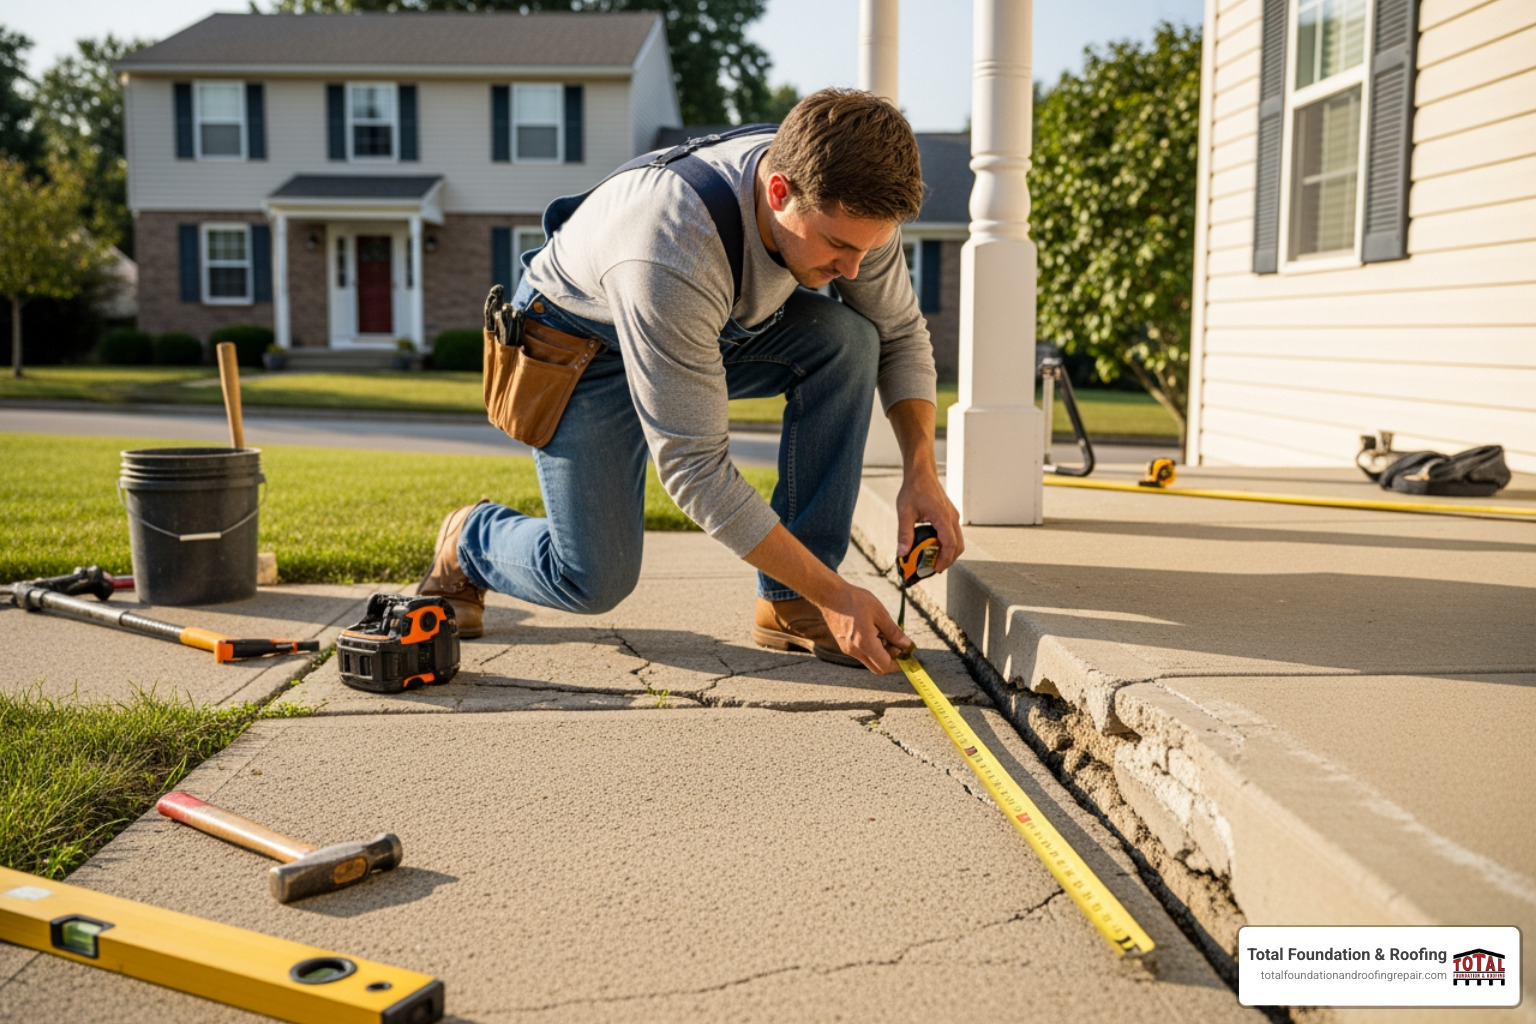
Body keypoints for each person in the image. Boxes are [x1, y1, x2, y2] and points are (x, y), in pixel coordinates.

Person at [420, 88, 963, 675]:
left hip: (710, 322)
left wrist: (922, 472)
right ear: (779, 192)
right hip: (581, 345)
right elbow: (696, 471)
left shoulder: (852, 205)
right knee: (591, 580)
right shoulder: (671, 245)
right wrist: (840, 595)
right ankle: (470, 540)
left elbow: (901, 333)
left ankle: (791, 602)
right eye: (837, 247)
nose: (853, 271)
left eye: (869, 248)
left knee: (852, 340)